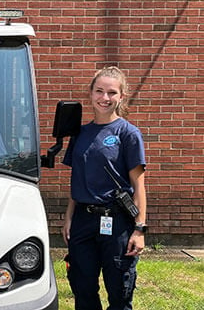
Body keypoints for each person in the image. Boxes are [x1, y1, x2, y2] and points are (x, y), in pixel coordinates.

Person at [61, 66, 147, 310]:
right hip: (83, 221)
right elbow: (77, 178)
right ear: (90, 94)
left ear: (121, 96)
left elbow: (138, 185)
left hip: (117, 221)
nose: (105, 98)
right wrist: (69, 217)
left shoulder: (128, 134)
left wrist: (139, 229)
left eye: (111, 92)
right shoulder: (80, 134)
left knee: (119, 290)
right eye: (99, 91)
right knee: (83, 287)